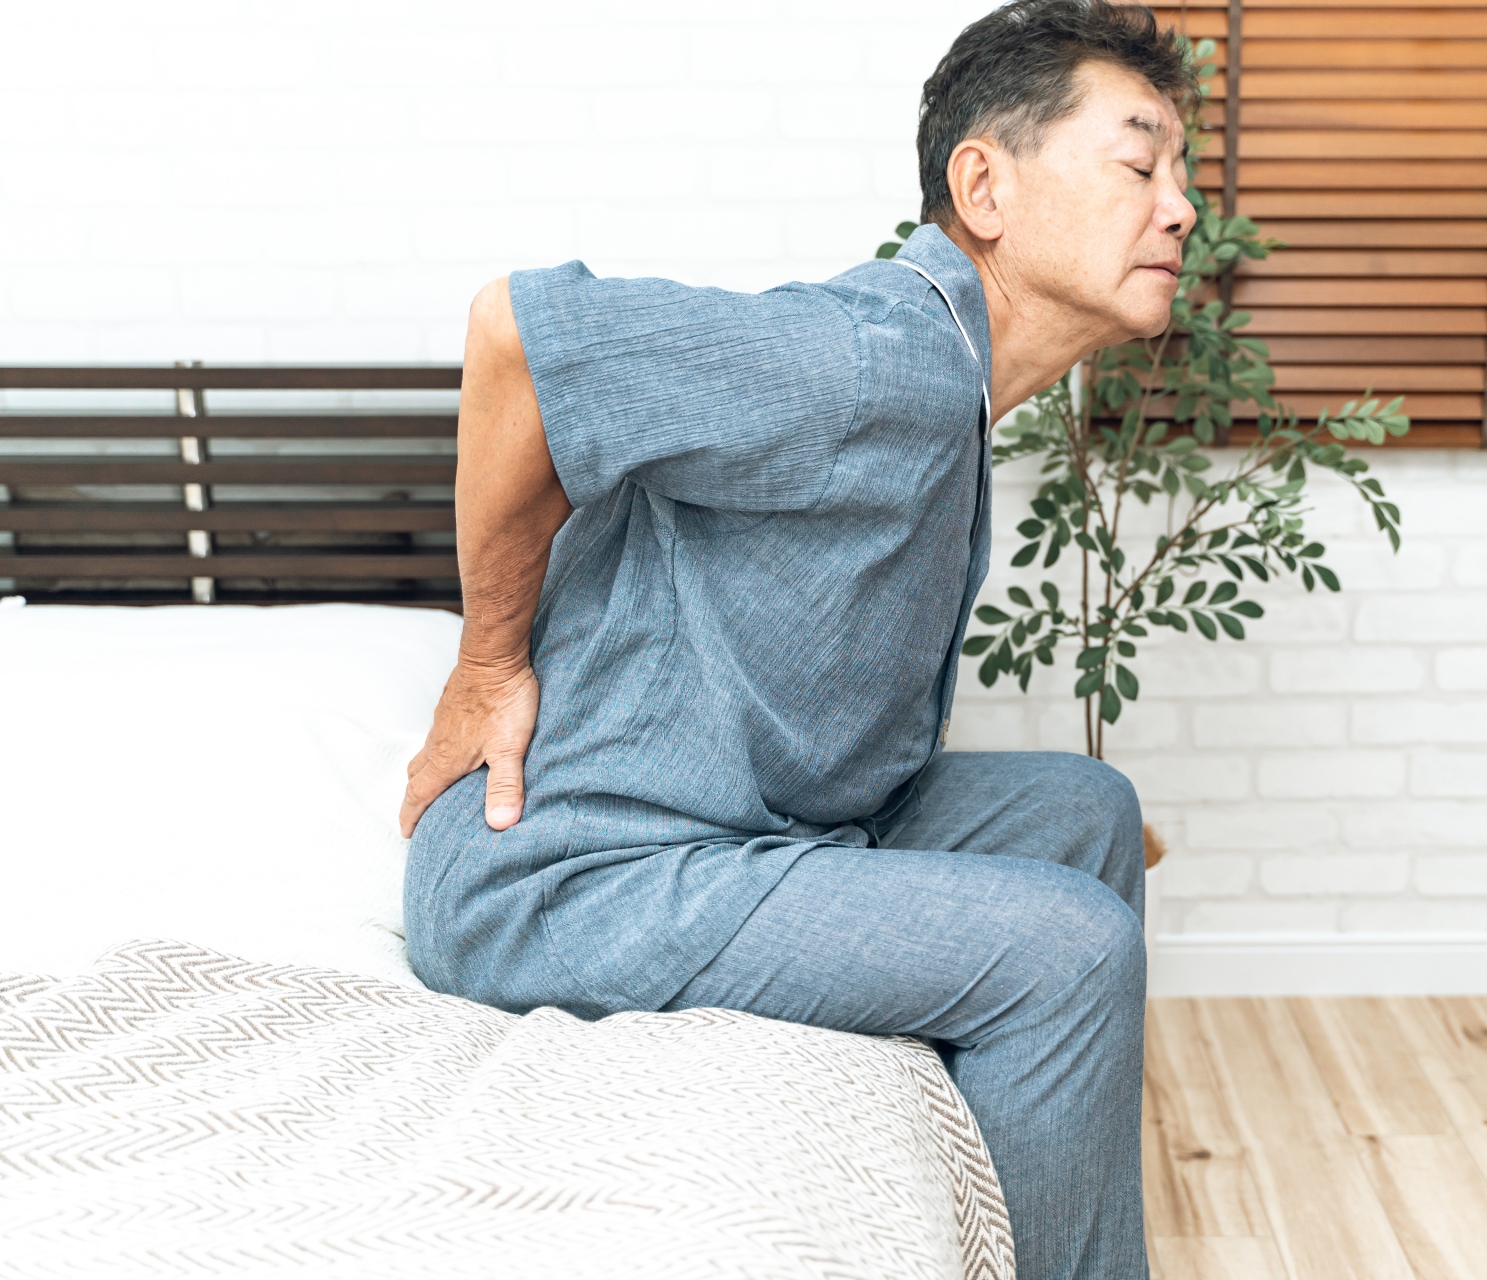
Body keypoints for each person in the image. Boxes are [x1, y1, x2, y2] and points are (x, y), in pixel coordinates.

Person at [399, 2, 1196, 1275]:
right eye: (1139, 164)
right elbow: (518, 335)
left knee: (1085, 809)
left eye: (1180, 175)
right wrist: (485, 665)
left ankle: (1001, 1201)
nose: (1181, 209)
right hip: (569, 875)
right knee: (1067, 948)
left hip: (752, 821)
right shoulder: (880, 361)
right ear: (983, 188)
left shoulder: (948, 390)